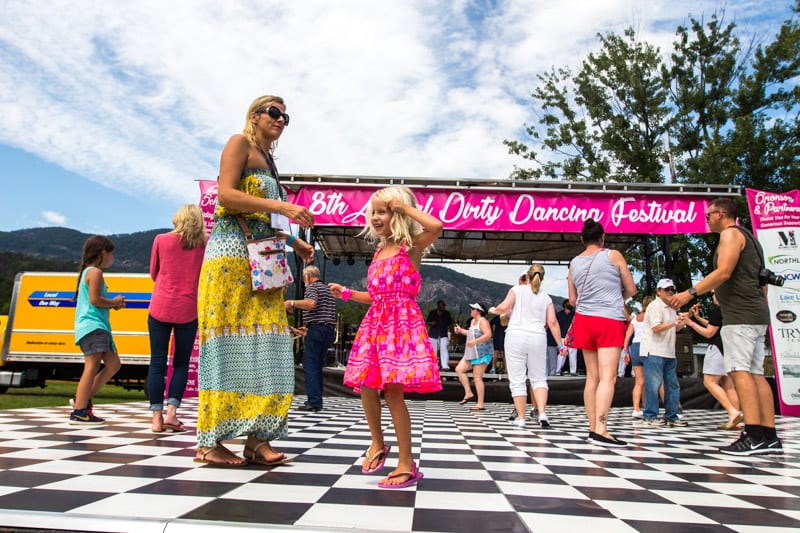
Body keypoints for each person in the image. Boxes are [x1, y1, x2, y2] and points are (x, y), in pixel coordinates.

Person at [194, 95, 315, 467]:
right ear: (255, 115)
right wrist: (281, 206)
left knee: (271, 349)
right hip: (231, 258)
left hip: (264, 258)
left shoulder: (270, 161)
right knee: (229, 347)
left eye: (285, 116)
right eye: (274, 113)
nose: (280, 120)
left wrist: (294, 241)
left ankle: (258, 438)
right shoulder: (239, 143)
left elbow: (268, 221)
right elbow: (225, 196)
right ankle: (209, 441)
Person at [329, 185, 443, 489]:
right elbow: (378, 295)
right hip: (376, 323)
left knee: (393, 393)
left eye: (383, 211)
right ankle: (377, 444)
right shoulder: (379, 251)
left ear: (398, 212)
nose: (376, 217)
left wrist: (404, 207)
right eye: (374, 212)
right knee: (366, 384)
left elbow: (436, 226)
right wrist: (349, 293)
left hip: (400, 325)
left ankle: (407, 462)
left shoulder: (412, 246)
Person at [670, 197, 780, 455]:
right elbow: (761, 281)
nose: (706, 220)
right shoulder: (751, 238)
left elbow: (724, 272)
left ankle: (752, 435)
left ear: (720, 214)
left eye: (708, 216)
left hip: (740, 316)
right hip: (754, 312)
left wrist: (690, 293)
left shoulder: (730, 236)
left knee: (740, 372)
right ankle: (769, 435)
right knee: (755, 374)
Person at [567, 218, 636, 447]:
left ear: (582, 239)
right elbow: (631, 289)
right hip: (608, 319)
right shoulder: (613, 255)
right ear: (603, 237)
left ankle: (592, 427)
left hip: (584, 320)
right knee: (609, 376)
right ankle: (602, 428)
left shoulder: (573, 262)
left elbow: (573, 300)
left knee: (592, 377)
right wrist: (616, 297)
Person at [147, 204, 206, 433]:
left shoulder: (161, 240)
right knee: (180, 364)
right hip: (188, 309)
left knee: (157, 363)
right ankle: (172, 414)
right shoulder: (203, 245)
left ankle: (156, 419)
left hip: (160, 306)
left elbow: (154, 272)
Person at [490, 264, 563, 429]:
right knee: (539, 378)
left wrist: (492, 309)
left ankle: (521, 418)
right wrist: (561, 345)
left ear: (527, 277)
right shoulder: (546, 298)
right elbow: (552, 322)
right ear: (541, 278)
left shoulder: (517, 290)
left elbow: (503, 309)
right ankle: (542, 413)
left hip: (516, 336)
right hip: (538, 337)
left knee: (517, 379)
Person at [71, 236, 125, 424]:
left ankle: (81, 399)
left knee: (113, 364)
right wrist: (114, 302)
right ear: (103, 253)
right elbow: (95, 300)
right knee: (92, 365)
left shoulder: (90, 272)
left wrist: (111, 305)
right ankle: (79, 409)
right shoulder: (95, 273)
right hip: (93, 325)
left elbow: (95, 301)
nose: (112, 258)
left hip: (98, 326)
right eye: (111, 254)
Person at [684, 296, 742, 430]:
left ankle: (733, 412)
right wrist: (698, 319)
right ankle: (735, 419)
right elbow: (715, 325)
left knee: (710, 382)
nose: (713, 296)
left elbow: (709, 333)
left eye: (715, 293)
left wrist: (689, 322)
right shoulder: (730, 309)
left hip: (716, 349)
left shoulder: (717, 311)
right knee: (728, 385)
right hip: (728, 348)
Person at [284, 265, 336, 412]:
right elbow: (324, 313)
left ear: (308, 277)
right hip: (327, 330)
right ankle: (316, 399)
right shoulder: (327, 290)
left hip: (318, 329)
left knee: (310, 365)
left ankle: (314, 401)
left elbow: (312, 304)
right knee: (317, 365)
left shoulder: (312, 288)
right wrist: (308, 329)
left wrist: (291, 303)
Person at [639, 279, 687, 427]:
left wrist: (684, 320)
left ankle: (671, 416)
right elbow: (656, 328)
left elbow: (675, 328)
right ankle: (650, 416)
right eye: (667, 289)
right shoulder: (654, 306)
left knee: (672, 385)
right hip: (654, 350)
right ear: (658, 291)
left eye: (672, 289)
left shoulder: (672, 308)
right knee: (653, 385)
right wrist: (674, 323)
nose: (670, 292)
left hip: (669, 352)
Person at [453, 303, 493, 410]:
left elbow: (488, 334)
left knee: (477, 378)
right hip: (472, 353)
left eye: (473, 309)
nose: (471, 310)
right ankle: (469, 392)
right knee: (459, 369)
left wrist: (475, 341)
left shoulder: (483, 321)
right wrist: (461, 331)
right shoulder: (472, 321)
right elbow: (471, 333)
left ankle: (480, 403)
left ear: (478, 311)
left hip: (482, 353)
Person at [623, 296, 653, 420]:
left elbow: (628, 335)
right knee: (650, 380)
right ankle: (648, 406)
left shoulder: (635, 318)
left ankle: (637, 408)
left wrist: (625, 351)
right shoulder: (652, 317)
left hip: (634, 347)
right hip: (647, 346)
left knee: (639, 381)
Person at [426, 300, 452, 371]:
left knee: (444, 349)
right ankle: (433, 365)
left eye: (444, 305)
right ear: (438, 305)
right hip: (433, 334)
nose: (443, 306)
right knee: (433, 351)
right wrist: (432, 323)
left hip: (443, 334)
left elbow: (450, 323)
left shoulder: (447, 313)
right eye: (442, 305)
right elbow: (427, 322)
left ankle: (445, 366)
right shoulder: (432, 313)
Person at [555, 300, 578, 376]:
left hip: (572, 337)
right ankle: (558, 371)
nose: (569, 304)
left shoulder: (575, 315)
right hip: (561, 337)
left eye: (570, 303)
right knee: (562, 354)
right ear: (564, 304)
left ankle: (573, 371)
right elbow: (555, 326)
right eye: (567, 303)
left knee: (573, 355)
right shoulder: (559, 314)